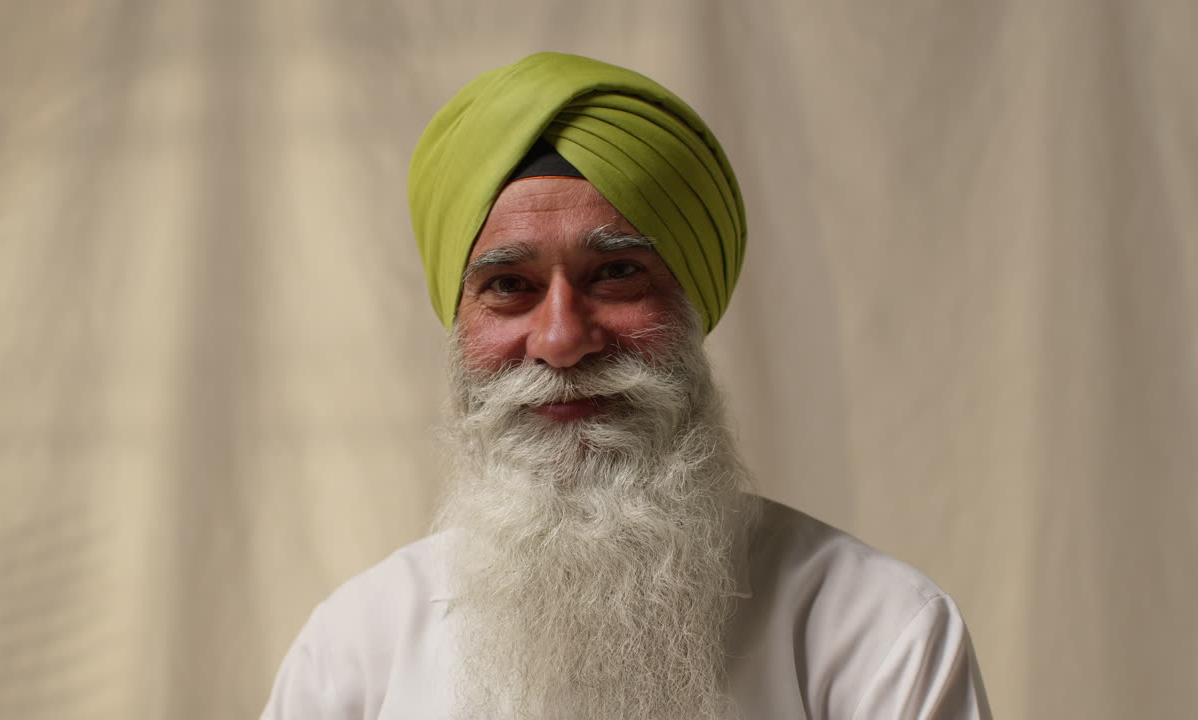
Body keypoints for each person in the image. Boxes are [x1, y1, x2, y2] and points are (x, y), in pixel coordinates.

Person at [261, 52, 991, 719]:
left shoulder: (878, 632)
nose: (560, 339)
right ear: (459, 325)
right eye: (509, 285)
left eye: (615, 273)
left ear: (691, 303)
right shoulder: (351, 652)